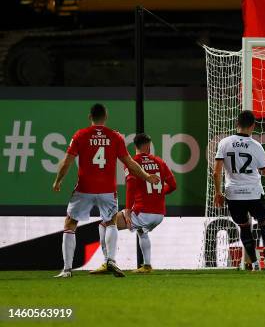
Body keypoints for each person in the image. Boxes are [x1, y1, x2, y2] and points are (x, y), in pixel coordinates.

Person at [52, 104, 160, 278]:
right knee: (110, 222)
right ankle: (110, 260)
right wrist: (147, 176)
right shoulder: (115, 136)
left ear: (90, 117)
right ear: (106, 116)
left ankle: (67, 270)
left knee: (70, 223)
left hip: (84, 189)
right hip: (108, 190)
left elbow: (67, 161)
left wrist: (58, 180)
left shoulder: (81, 135)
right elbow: (130, 163)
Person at [214, 110, 265, 272]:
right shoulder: (256, 146)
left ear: (237, 123)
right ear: (252, 126)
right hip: (254, 193)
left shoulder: (224, 143)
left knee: (244, 228)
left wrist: (218, 193)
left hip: (233, 194)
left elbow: (217, 172)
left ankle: (255, 263)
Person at [89, 133, 176, 274]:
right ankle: (147, 265)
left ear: (135, 146)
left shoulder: (133, 162)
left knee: (105, 224)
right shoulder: (160, 162)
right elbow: (173, 185)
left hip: (143, 212)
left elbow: (130, 186)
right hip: (159, 215)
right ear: (148, 146)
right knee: (142, 231)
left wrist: (128, 210)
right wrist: (158, 194)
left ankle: (107, 262)